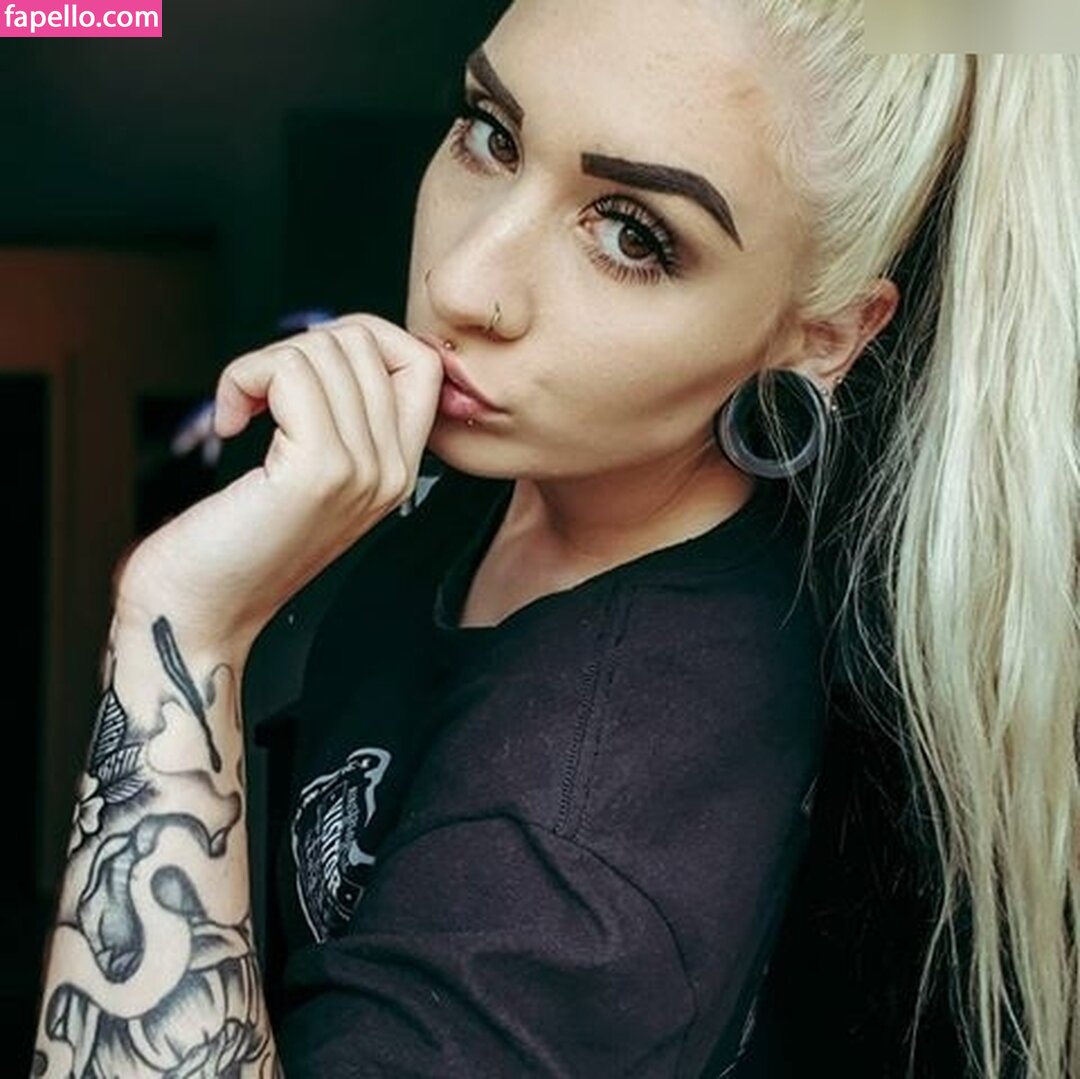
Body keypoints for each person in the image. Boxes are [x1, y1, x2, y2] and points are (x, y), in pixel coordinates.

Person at [29, 1, 1080, 1076]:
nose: (462, 285)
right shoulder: (516, 475)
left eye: (632, 235)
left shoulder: (591, 822)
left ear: (824, 336)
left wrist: (180, 626)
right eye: (491, 135)